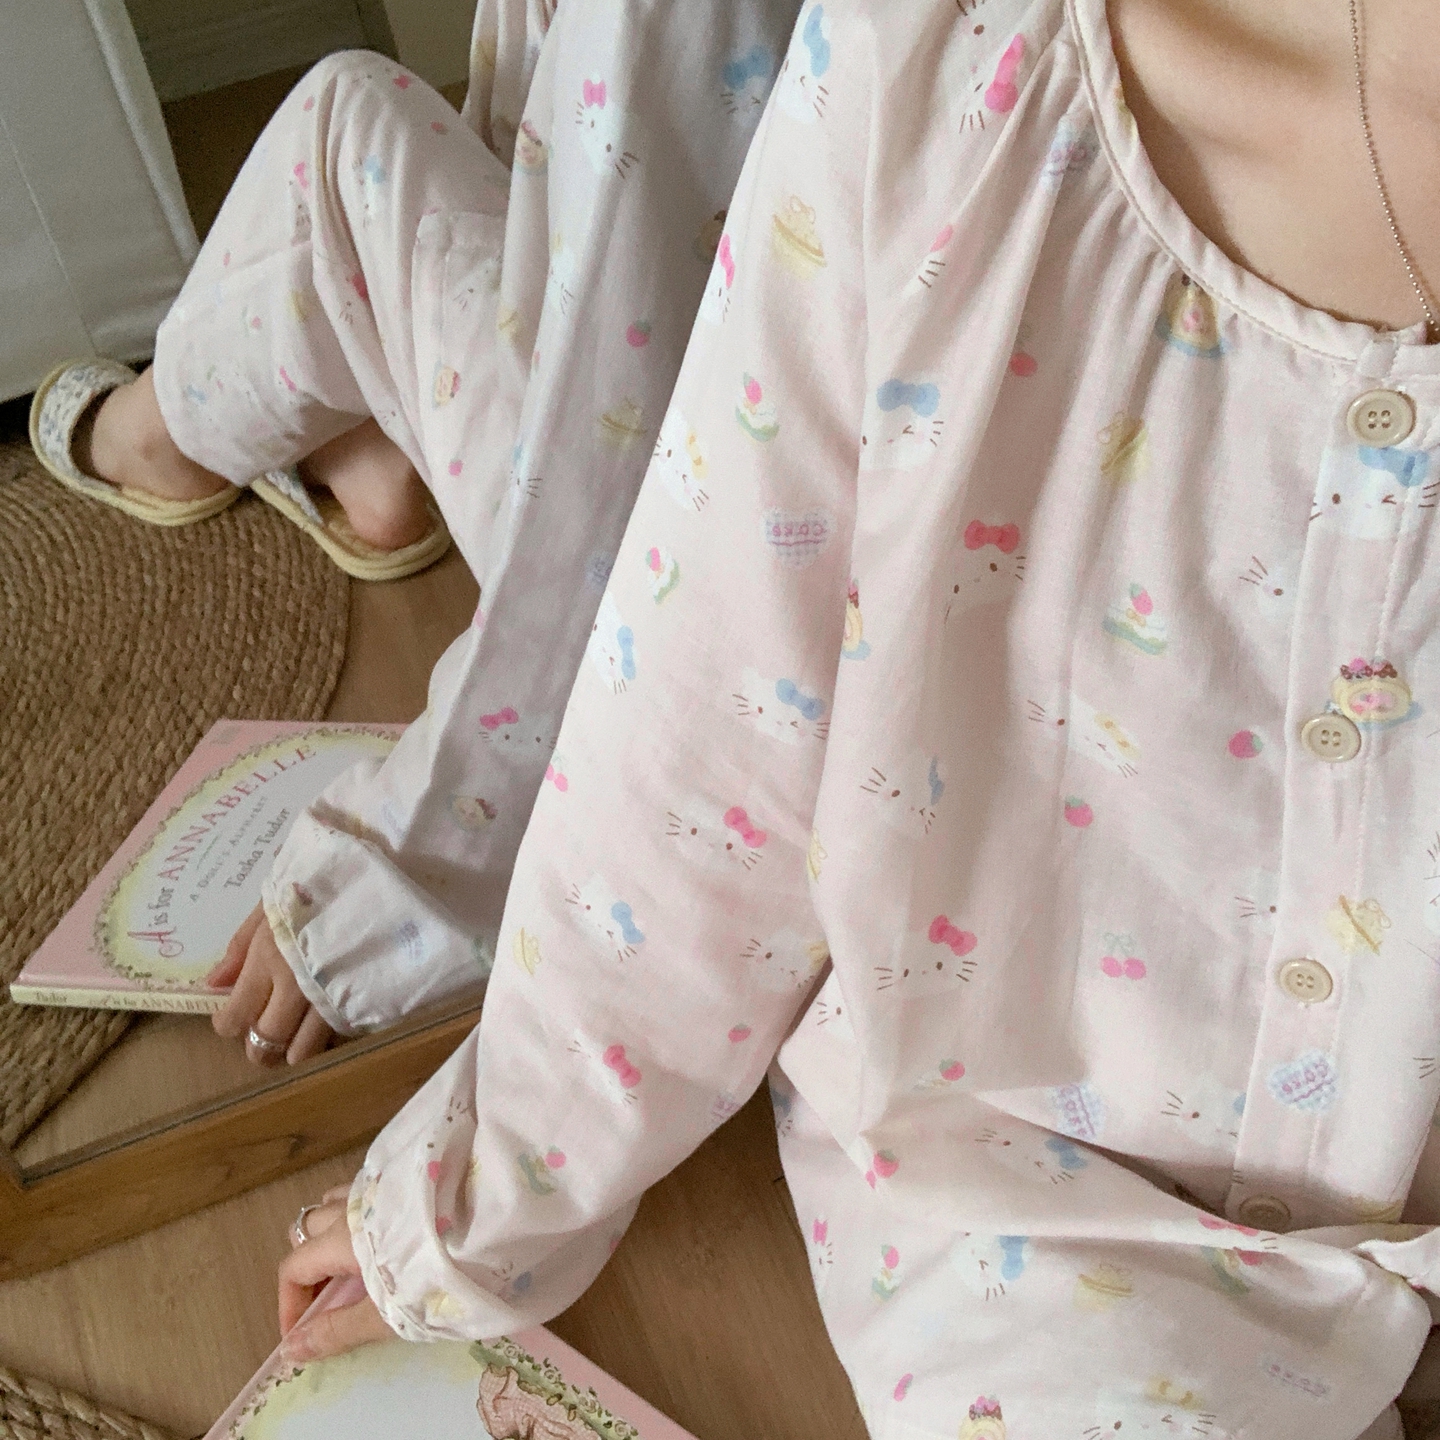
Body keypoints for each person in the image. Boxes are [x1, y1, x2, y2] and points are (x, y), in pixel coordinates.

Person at [271, 0, 1440, 1435]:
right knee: (350, 140)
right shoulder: (945, 67)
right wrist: (476, 1191)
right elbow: (706, 723)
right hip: (1049, 1222)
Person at [31, 0, 805, 1064]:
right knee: (451, 161)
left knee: (346, 122)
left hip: (732, 535)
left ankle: (161, 432)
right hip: (779, 434)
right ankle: (372, 423)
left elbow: (617, 512)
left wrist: (390, 877)